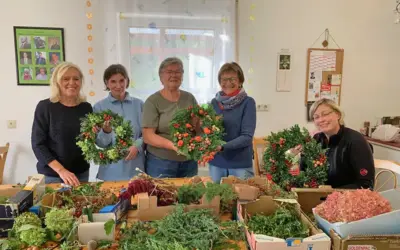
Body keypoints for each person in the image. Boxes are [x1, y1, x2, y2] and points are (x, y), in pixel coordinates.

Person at [31, 62, 92, 185]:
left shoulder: (86, 108)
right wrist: (62, 170)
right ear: (57, 82)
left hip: (81, 173)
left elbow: (89, 141)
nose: (72, 83)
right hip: (53, 175)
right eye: (66, 79)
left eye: (76, 79)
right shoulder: (45, 107)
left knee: (82, 204)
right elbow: (38, 144)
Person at [142, 57, 198, 178]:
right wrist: (173, 145)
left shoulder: (189, 98)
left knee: (190, 195)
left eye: (178, 71)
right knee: (162, 195)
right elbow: (147, 136)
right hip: (160, 162)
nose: (174, 75)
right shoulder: (152, 101)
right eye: (169, 72)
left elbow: (197, 127)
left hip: (189, 161)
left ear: (182, 75)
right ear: (161, 77)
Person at [308, 98, 375, 189]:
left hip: (346, 199)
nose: (321, 120)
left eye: (325, 114)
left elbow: (366, 184)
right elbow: (308, 173)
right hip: (320, 196)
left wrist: (332, 194)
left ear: (338, 115)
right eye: (316, 117)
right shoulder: (317, 139)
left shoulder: (356, 141)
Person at [93, 64, 145, 181]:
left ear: (127, 81)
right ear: (107, 83)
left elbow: (147, 133)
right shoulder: (99, 107)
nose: (118, 85)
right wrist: (106, 132)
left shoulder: (139, 105)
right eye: (113, 81)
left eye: (122, 80)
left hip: (136, 168)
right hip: (111, 170)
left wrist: (137, 145)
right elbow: (100, 143)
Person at [207, 62, 256, 183]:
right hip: (216, 163)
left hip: (240, 164)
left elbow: (247, 137)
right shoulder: (214, 103)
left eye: (232, 79)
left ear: (240, 81)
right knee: (216, 200)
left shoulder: (248, 103)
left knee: (243, 199)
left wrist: (223, 146)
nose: (228, 83)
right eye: (224, 79)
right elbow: (208, 130)